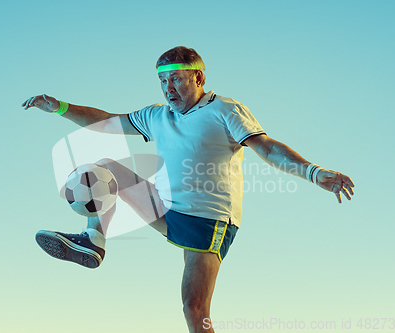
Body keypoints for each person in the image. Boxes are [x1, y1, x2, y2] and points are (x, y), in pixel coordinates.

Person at [22, 46, 354, 333]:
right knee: (104, 168)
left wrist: (314, 172)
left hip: (208, 221)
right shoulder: (157, 116)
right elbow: (108, 121)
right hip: (167, 209)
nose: (169, 88)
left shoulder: (224, 110)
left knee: (194, 309)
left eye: (177, 79)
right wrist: (60, 107)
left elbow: (266, 148)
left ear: (198, 78)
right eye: (163, 81)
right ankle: (93, 241)